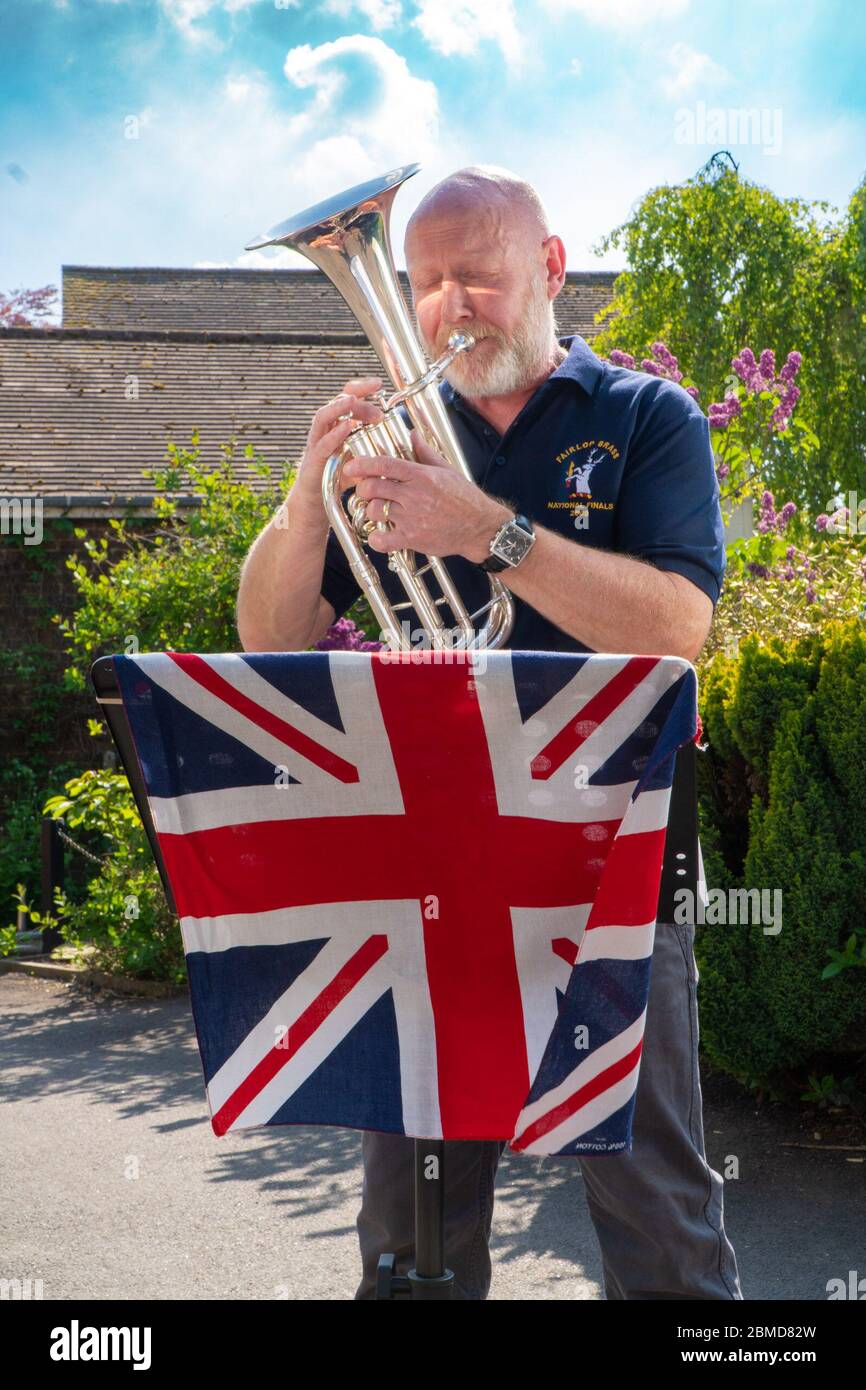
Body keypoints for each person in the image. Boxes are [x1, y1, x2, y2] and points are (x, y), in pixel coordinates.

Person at [235, 165, 743, 1302]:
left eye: (477, 275)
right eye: (423, 283)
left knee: (653, 1203)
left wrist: (486, 531)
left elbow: (675, 628)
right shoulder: (400, 438)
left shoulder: (645, 416)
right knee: (410, 1218)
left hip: (615, 862)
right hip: (433, 869)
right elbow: (271, 635)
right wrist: (308, 499)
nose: (447, 307)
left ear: (550, 268)